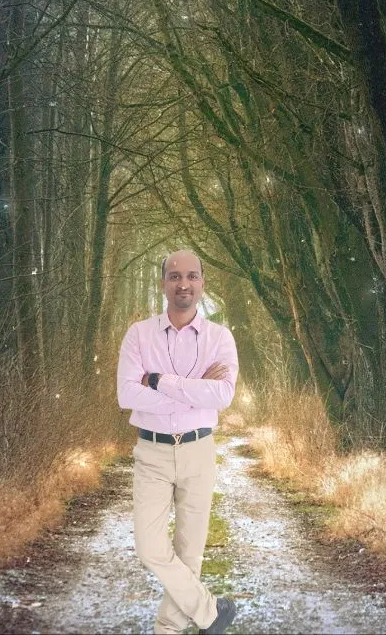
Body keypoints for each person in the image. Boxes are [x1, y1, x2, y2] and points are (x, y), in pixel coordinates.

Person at [117, 249, 239, 635]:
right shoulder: (138, 334)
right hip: (151, 451)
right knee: (149, 547)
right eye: (174, 276)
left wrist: (158, 381)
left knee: (189, 552)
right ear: (163, 283)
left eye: (191, 276)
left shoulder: (220, 338)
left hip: (198, 450)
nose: (183, 283)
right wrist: (195, 388)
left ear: (202, 282)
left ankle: (168, 629)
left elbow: (221, 396)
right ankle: (208, 612)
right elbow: (127, 395)